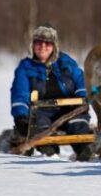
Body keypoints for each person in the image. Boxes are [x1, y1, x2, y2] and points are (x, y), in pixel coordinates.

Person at [10, 23, 93, 161]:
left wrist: (82, 99)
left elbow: (81, 81)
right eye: (39, 42)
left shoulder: (65, 62)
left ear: (54, 46)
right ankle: (50, 157)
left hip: (70, 109)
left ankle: (84, 153)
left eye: (47, 43)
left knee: (79, 125)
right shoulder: (25, 67)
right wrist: (20, 115)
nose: (43, 46)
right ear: (33, 45)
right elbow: (20, 93)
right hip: (41, 112)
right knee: (42, 133)